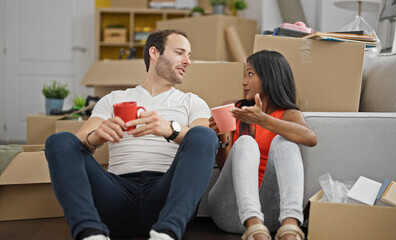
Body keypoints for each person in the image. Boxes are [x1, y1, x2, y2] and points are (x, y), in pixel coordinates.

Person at [45, 29, 218, 240]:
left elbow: (204, 140)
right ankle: (90, 234)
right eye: (180, 52)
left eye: (189, 55)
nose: (188, 61)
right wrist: (96, 136)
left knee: (204, 135)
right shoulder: (114, 98)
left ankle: (167, 233)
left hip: (166, 195)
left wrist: (169, 129)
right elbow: (79, 141)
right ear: (154, 53)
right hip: (115, 196)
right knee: (59, 140)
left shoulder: (193, 102)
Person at [208, 50, 317, 240]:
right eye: (245, 74)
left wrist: (263, 120)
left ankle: (291, 226)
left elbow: (310, 139)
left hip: (272, 215)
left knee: (286, 142)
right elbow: (227, 168)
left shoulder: (288, 114)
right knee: (246, 142)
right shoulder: (233, 108)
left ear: (269, 77)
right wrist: (220, 138)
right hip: (230, 208)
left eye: (250, 74)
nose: (244, 81)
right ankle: (253, 226)